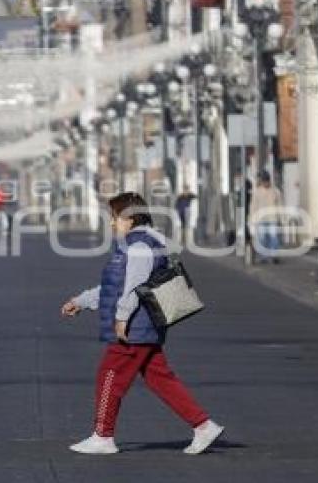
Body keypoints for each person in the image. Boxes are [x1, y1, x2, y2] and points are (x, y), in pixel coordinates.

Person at [60, 192, 224, 455]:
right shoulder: (141, 243)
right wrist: (82, 300)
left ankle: (103, 435)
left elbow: (134, 288)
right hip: (145, 326)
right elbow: (115, 286)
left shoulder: (138, 247)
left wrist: (122, 319)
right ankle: (203, 426)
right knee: (160, 379)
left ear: (130, 218)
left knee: (109, 376)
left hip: (136, 327)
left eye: (115, 218)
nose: (112, 224)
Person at [249, 170, 283, 263]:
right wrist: (252, 219)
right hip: (261, 219)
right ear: (262, 181)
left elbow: (279, 205)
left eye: (267, 181)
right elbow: (253, 206)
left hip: (273, 218)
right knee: (262, 238)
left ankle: (274, 256)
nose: (266, 183)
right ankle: (264, 256)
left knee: (274, 237)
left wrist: (281, 219)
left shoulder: (276, 191)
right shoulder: (257, 192)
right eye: (264, 181)